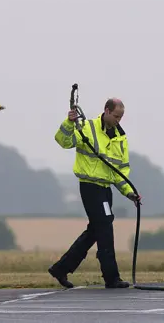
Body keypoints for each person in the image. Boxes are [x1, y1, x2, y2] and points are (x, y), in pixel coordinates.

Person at [48, 98, 142, 289]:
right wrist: (69, 122)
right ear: (106, 111)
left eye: (121, 117)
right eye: (116, 116)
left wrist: (129, 193)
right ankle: (111, 277)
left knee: (96, 230)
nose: (118, 120)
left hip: (106, 190)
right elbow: (63, 141)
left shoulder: (120, 138)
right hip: (90, 187)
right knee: (105, 228)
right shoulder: (86, 128)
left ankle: (61, 268)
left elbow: (120, 171)